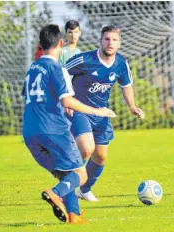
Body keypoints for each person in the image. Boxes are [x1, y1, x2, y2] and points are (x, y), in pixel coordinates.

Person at [22, 24, 116, 224]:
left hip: (30, 133)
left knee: (67, 174)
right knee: (80, 175)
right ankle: (54, 193)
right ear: (61, 43)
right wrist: (96, 111)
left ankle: (74, 215)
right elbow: (67, 101)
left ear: (41, 44)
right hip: (53, 130)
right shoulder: (57, 68)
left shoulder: (32, 69)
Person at [65, 25, 145, 202]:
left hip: (101, 114)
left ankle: (84, 190)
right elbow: (59, 73)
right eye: (107, 39)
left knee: (100, 156)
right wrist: (66, 98)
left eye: (114, 40)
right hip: (79, 111)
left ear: (119, 43)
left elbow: (126, 85)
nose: (110, 43)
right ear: (101, 41)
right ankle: (65, 188)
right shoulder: (84, 60)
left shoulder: (121, 63)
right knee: (86, 148)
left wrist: (132, 106)